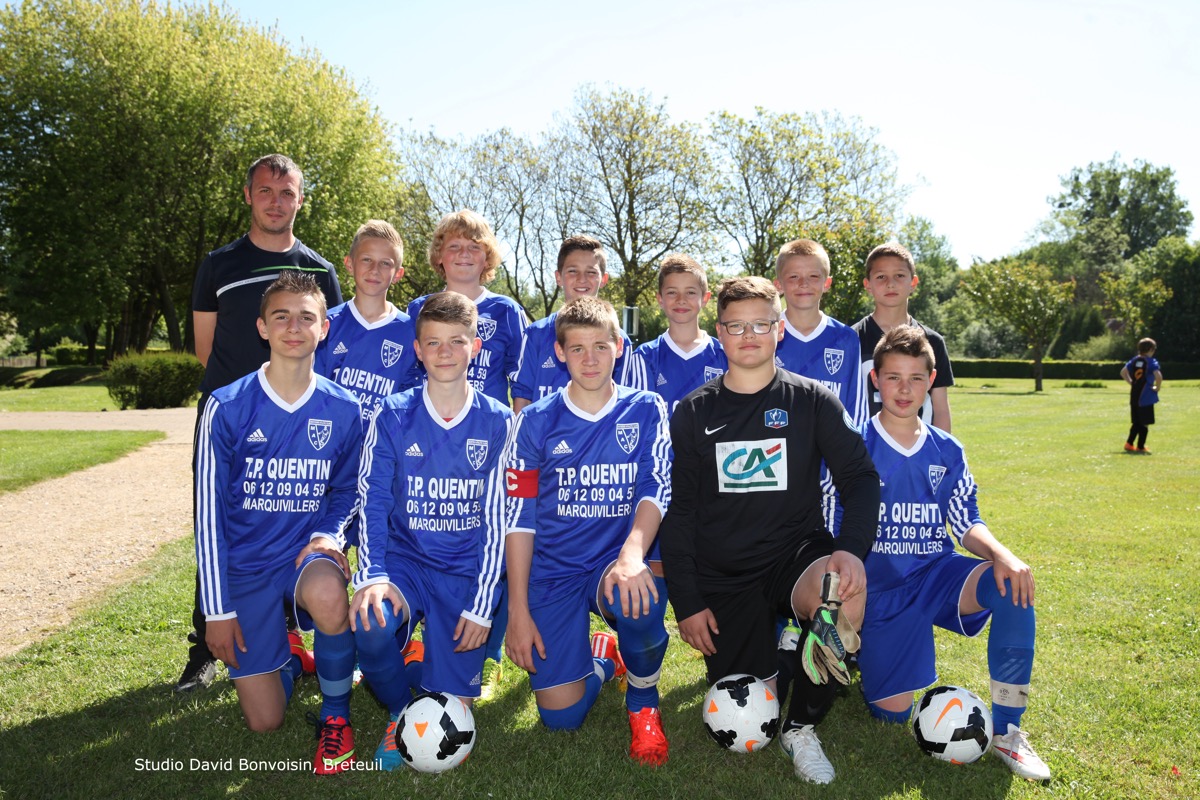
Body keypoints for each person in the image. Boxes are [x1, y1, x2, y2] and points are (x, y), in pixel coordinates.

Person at [658, 276, 879, 785]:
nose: (749, 335)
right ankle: (785, 649)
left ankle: (802, 729)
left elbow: (860, 478)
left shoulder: (813, 400)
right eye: (736, 326)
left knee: (840, 595)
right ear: (719, 332)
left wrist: (850, 549)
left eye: (761, 324)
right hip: (725, 573)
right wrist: (687, 602)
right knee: (750, 715)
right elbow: (682, 512)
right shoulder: (693, 411)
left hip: (793, 556)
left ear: (779, 329)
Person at [855, 325, 1050, 781]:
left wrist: (1003, 554)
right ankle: (859, 650)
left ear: (931, 380)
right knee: (890, 715)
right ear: (875, 380)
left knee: (1012, 585)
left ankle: (1008, 731)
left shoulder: (947, 449)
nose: (904, 389)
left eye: (915, 378)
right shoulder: (853, 445)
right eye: (893, 377)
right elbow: (831, 523)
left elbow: (965, 521)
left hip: (936, 575)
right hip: (880, 589)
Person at [183, 153, 343, 693]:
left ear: (300, 200)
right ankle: (205, 645)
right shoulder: (219, 264)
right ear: (249, 196)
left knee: (298, 524)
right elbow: (205, 348)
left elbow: (327, 347)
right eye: (266, 191)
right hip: (235, 421)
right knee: (220, 524)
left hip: (298, 424)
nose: (276, 202)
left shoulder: (320, 271)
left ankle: (293, 635)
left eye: (287, 192)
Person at [195, 272, 364, 774]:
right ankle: (289, 659)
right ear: (262, 327)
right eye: (282, 316)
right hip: (245, 569)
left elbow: (349, 491)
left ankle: (336, 716)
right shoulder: (226, 406)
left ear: (324, 328)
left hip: (303, 558)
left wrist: (327, 535)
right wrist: (216, 611)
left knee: (330, 595)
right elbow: (208, 515)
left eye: (306, 317)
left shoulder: (344, 408)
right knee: (264, 721)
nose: (294, 327)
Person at [504, 297, 673, 766]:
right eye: (577, 349)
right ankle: (601, 661)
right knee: (562, 718)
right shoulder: (534, 420)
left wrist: (632, 555)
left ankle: (643, 703)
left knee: (639, 600)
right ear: (560, 353)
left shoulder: (646, 408)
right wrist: (517, 609)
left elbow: (656, 486)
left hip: (613, 562)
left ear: (619, 346)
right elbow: (517, 517)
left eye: (601, 346)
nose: (591, 359)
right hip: (552, 570)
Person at [349, 291, 513, 771]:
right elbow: (373, 499)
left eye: (457, 341)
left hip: (465, 570)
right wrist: (373, 574)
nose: (445, 352)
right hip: (407, 563)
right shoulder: (393, 413)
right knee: (372, 623)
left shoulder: (500, 421)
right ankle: (400, 711)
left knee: (456, 709)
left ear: (475, 348)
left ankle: (429, 666)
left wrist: (482, 604)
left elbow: (501, 521)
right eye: (433, 342)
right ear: (417, 350)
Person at [407, 210, 528, 407]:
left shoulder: (507, 311)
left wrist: (516, 424)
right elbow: (407, 373)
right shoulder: (418, 309)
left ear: (487, 258)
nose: (464, 253)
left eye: (474, 246)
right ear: (439, 256)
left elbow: (523, 381)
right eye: (454, 246)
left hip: (487, 423)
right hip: (429, 420)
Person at [512, 235, 634, 412]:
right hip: (545, 430)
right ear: (559, 277)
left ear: (604, 279)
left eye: (591, 272)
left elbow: (624, 401)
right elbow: (523, 396)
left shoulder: (618, 339)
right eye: (572, 271)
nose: (582, 279)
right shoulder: (536, 334)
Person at [316, 220, 420, 421]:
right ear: (349, 264)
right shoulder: (327, 324)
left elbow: (411, 402)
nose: (374, 269)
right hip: (333, 436)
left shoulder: (411, 332)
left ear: (398, 274)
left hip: (383, 439)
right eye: (366, 260)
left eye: (385, 263)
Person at [852, 242, 954, 431]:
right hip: (864, 446)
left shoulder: (933, 341)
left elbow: (940, 408)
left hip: (918, 446)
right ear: (868, 285)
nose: (890, 283)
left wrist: (942, 448)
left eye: (899, 275)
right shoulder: (850, 340)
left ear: (913, 282)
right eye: (881, 277)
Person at [628, 253, 727, 412]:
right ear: (660, 299)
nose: (681, 299)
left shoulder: (724, 354)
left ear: (705, 298)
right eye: (672, 292)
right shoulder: (645, 356)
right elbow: (640, 417)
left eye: (690, 292)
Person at [1120, 337, 1163, 454]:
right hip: (1146, 397)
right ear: (1150, 349)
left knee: (1136, 422)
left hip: (1134, 395)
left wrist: (1131, 382)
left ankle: (1129, 444)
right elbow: (1158, 376)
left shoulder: (1134, 360)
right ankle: (1140, 446)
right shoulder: (1151, 362)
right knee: (1144, 423)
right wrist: (1157, 387)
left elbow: (1123, 372)